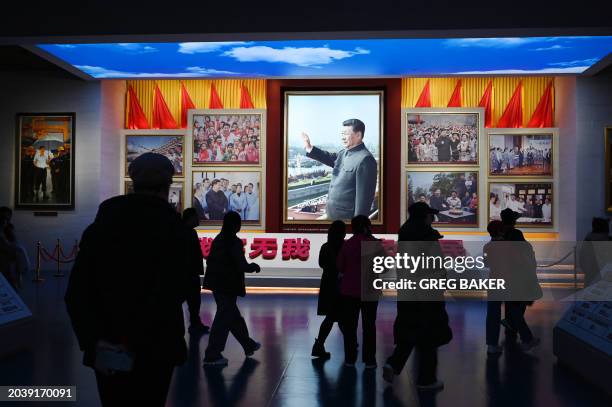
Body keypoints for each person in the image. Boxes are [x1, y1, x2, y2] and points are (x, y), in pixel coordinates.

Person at [65, 153, 194, 407]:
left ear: (133, 182)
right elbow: (176, 290)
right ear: (167, 186)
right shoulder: (176, 231)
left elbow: (76, 293)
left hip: (108, 344)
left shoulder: (101, 227)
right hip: (156, 348)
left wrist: (94, 340)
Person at [383, 202, 452, 391]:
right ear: (424, 216)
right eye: (430, 215)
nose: (433, 219)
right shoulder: (427, 236)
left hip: (408, 290)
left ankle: (393, 364)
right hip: (428, 292)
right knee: (429, 336)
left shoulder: (404, 232)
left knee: (409, 329)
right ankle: (426, 379)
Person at [203, 211, 262, 366]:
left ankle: (248, 344)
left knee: (232, 316)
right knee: (224, 317)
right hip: (227, 284)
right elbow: (241, 264)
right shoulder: (233, 241)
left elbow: (210, 260)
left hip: (217, 283)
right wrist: (253, 267)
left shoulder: (219, 239)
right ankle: (212, 354)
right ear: (236, 224)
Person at [301, 119, 377, 220]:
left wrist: (358, 225)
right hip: (331, 214)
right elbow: (328, 157)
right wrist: (309, 147)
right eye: (342, 134)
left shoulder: (365, 159)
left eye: (345, 134)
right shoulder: (343, 153)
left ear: (358, 135)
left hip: (345, 219)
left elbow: (363, 199)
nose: (342, 137)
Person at [337, 215, 381, 368]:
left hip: (349, 291)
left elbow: (340, 267)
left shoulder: (347, 244)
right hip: (370, 290)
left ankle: (350, 359)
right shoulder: (374, 244)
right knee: (369, 326)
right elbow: (383, 267)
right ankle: (370, 360)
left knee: (350, 327)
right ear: (366, 227)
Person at [499, 208, 541, 351]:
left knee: (512, 305)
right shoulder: (516, 234)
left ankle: (510, 327)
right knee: (517, 307)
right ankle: (526, 338)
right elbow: (525, 253)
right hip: (518, 275)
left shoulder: (500, 234)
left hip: (505, 275)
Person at [312, 220, 346, 359]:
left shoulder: (325, 246)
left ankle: (319, 345)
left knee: (331, 317)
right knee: (341, 318)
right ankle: (351, 345)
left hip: (328, 284)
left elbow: (322, 264)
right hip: (341, 285)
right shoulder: (345, 246)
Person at [182, 208, 210, 335]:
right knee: (193, 300)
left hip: (188, 272)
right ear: (190, 218)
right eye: (196, 217)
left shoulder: (186, 232)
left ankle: (195, 323)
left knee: (193, 301)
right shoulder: (188, 233)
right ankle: (194, 324)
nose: (198, 219)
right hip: (188, 273)